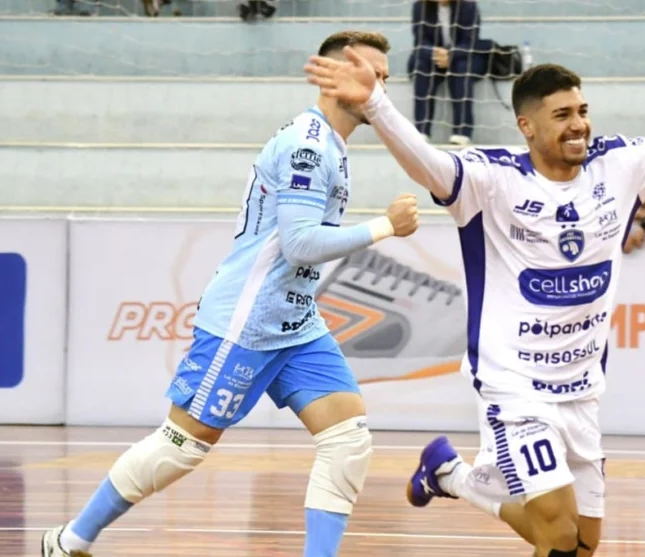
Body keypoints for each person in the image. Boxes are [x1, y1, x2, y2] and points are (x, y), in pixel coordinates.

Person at [304, 41, 645, 557]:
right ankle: (455, 476)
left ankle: (451, 476)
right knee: (555, 531)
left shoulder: (620, 165)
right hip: (514, 386)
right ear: (527, 126)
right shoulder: (490, 180)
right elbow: (426, 160)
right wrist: (376, 105)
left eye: (582, 111)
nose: (579, 125)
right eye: (562, 115)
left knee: (583, 543)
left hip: (581, 390)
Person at [41, 30, 418, 557]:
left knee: (347, 439)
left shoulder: (332, 144)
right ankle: (69, 541)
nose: (381, 88)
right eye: (370, 75)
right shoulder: (308, 146)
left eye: (385, 78)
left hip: (295, 322)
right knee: (180, 448)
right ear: (335, 77)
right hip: (247, 321)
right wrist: (385, 226)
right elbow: (300, 243)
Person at [408, 0, 492, 145]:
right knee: (421, 66)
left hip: (463, 57)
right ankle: (421, 130)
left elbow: (470, 42)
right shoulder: (420, 6)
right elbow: (420, 41)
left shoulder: (468, 5)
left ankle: (462, 132)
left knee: (461, 69)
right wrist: (436, 53)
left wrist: (451, 55)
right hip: (434, 58)